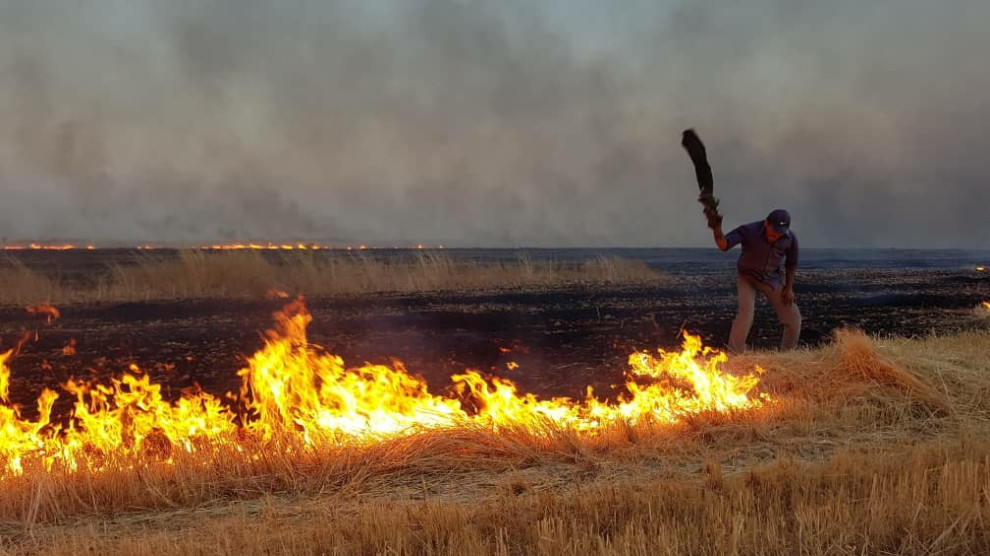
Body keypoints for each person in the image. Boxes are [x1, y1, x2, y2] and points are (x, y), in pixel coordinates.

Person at [713, 209, 801, 352]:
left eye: (780, 233)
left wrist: (789, 288)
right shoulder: (749, 230)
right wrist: (716, 228)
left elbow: (791, 264)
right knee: (746, 315)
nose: (776, 236)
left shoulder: (790, 238)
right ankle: (734, 357)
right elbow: (724, 245)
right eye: (774, 232)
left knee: (793, 319)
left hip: (771, 279)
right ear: (766, 223)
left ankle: (787, 357)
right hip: (747, 277)